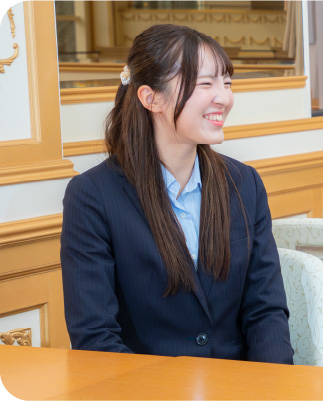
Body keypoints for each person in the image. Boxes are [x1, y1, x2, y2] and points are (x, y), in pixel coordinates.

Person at [60, 24, 293, 363]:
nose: (224, 97)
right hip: (145, 385)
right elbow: (95, 337)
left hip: (239, 383)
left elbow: (266, 312)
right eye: (205, 83)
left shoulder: (245, 183)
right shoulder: (92, 196)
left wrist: (273, 385)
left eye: (227, 83)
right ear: (150, 98)